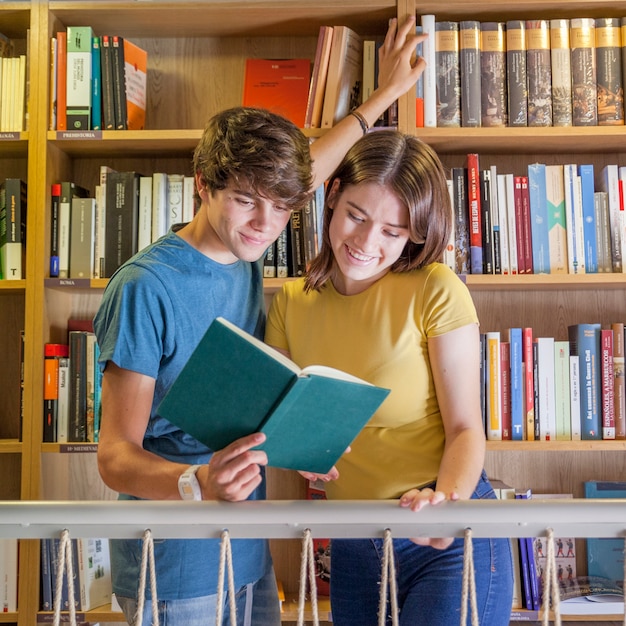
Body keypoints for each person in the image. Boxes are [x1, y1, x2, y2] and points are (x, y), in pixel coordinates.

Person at [93, 15, 425, 626]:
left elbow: (304, 172)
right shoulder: (147, 287)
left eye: (281, 208)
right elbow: (114, 456)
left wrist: (386, 95)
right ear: (203, 188)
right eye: (245, 200)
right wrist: (200, 484)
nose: (264, 223)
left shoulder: (250, 236)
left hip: (248, 545)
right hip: (176, 556)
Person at [265, 130, 514, 625]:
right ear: (331, 196)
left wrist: (447, 502)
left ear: (414, 234)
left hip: (443, 534)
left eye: (391, 231)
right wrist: (303, 456)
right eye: (356, 216)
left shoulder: (435, 289)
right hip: (356, 538)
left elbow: (467, 429)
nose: (364, 243)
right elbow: (284, 426)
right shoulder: (289, 303)